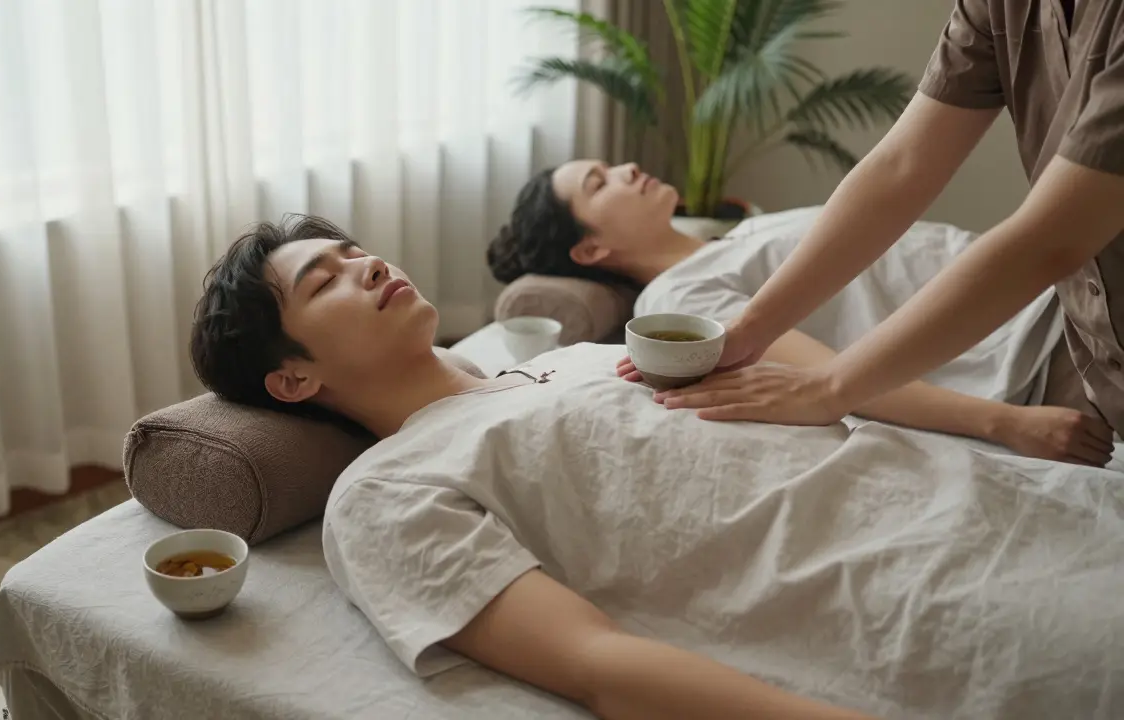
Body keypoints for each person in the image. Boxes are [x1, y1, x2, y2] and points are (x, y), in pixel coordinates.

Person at [189, 215, 1124, 719]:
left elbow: (801, 382)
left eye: (353, 250)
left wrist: (1002, 430)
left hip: (1004, 499)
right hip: (921, 594)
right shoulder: (385, 494)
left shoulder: (574, 360)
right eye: (325, 281)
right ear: (293, 376)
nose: (366, 264)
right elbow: (600, 665)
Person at [632, 0, 1124, 442]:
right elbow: (900, 168)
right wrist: (749, 332)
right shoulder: (680, 293)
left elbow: (1052, 238)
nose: (628, 170)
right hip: (1080, 350)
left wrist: (831, 387)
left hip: (1038, 332)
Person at [488, 160, 1115, 465]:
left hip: (1058, 287)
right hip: (1040, 343)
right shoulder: (679, 298)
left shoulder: (730, 236)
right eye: (599, 183)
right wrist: (1005, 423)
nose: (625, 167)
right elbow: (827, 377)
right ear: (591, 248)